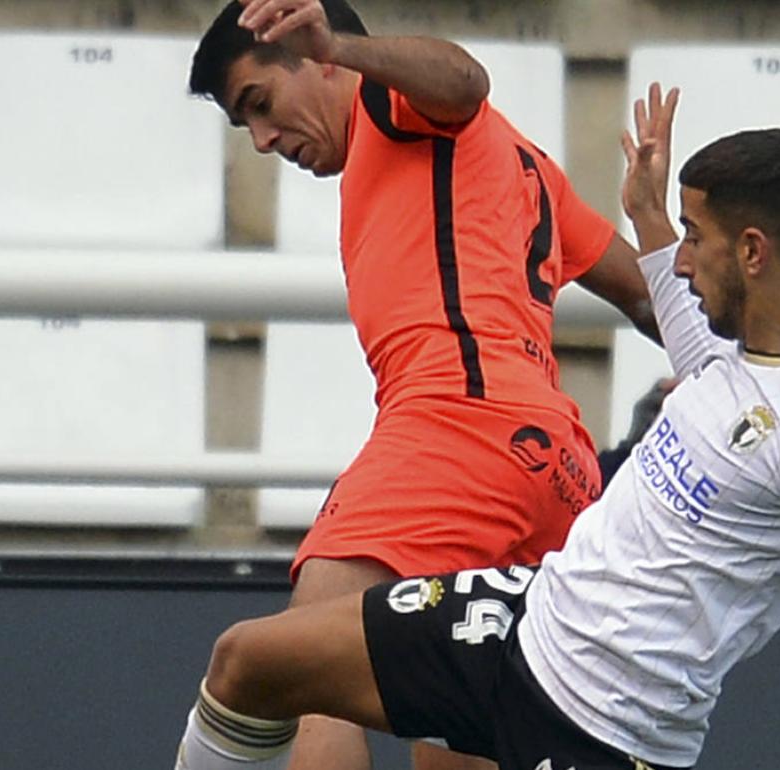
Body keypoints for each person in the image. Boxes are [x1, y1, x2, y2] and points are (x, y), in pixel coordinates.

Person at [174, 83, 780, 770]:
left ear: (754, 252)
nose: (682, 262)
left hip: (601, 728)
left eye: (696, 239)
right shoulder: (751, 356)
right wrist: (651, 219)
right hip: (520, 619)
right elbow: (708, 368)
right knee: (247, 663)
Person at [184, 2, 659, 770]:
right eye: (247, 127)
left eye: (261, 105)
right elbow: (648, 298)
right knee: (451, 730)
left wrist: (345, 46)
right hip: (559, 477)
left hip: (456, 429)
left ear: (322, 59)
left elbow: (463, 80)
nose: (266, 141)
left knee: (299, 663)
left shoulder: (388, 105)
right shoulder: (524, 164)